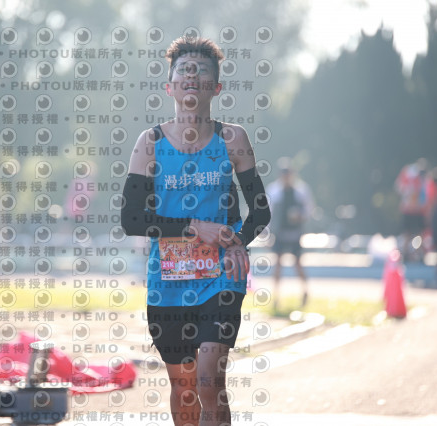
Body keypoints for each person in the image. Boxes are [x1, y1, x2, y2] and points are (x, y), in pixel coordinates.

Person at [121, 36, 271, 426]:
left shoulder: (232, 138)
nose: (191, 74)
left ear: (215, 88)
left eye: (201, 70)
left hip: (221, 276)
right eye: (183, 69)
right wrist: (193, 228)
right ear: (169, 86)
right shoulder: (150, 143)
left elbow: (260, 211)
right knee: (185, 387)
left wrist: (238, 242)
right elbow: (131, 219)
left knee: (209, 378)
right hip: (168, 282)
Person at [265, 158, 315, 309]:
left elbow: (309, 209)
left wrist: (300, 216)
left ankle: (305, 291)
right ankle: (276, 296)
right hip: (280, 232)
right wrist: (268, 234)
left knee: (297, 263)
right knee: (278, 263)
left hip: (294, 232)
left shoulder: (301, 190)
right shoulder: (274, 191)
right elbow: (268, 213)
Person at [394, 158, 430, 261]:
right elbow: (399, 188)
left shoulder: (422, 178)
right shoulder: (409, 174)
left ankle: (418, 253)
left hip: (417, 210)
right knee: (409, 233)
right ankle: (407, 254)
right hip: (410, 209)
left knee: (419, 233)